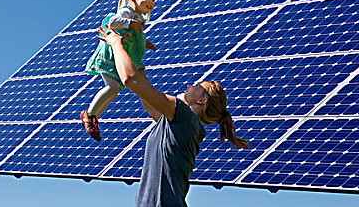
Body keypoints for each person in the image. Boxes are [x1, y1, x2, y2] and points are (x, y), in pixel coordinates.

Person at [97, 24, 250, 207]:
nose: (189, 86)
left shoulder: (185, 117)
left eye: (197, 86)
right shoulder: (181, 124)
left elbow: (131, 80)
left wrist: (116, 44)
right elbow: (147, 101)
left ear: (202, 101)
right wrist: (136, 53)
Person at [81, 0, 157, 141]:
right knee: (111, 88)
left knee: (113, 90)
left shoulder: (138, 17)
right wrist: (131, 23)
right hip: (110, 57)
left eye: (153, 0)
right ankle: (88, 115)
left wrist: (145, 43)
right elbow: (113, 22)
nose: (151, 2)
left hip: (120, 58)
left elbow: (135, 38)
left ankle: (93, 117)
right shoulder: (127, 12)